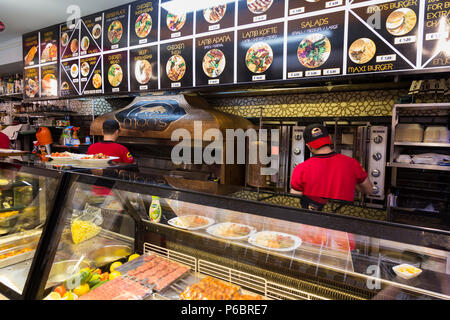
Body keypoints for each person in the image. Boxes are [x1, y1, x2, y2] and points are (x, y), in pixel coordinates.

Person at [290, 123, 373, 203]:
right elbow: (369, 190)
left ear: (308, 146)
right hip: (343, 215)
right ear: (329, 138)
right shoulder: (352, 164)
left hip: (313, 216)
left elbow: (294, 201)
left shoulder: (300, 169)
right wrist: (351, 180)